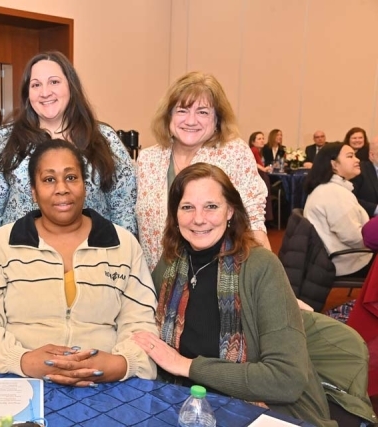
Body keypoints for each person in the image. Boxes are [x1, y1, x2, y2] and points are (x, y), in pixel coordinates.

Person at [133, 163, 336, 426]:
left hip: (258, 407)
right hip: (184, 401)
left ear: (230, 210)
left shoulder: (261, 266)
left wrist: (186, 366)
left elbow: (287, 379)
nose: (198, 219)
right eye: (187, 207)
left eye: (211, 206)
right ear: (175, 213)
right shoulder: (172, 262)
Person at [0, 139, 157, 386]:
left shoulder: (122, 245)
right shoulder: (3, 244)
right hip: (16, 381)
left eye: (71, 177)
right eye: (49, 180)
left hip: (107, 386)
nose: (62, 188)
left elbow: (142, 324)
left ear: (85, 186)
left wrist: (121, 364)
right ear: (33, 191)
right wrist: (22, 360)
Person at [0, 51, 137, 252]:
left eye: (54, 82)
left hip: (93, 262)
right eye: (36, 85)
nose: (45, 92)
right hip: (21, 263)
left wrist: (122, 261)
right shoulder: (6, 140)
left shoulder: (104, 139)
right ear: (27, 93)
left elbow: (124, 209)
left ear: (71, 86)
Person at [136, 71, 269, 271]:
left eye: (203, 112)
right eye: (182, 110)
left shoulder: (234, 153)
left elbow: (254, 223)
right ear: (168, 115)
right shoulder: (148, 159)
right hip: (155, 280)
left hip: (216, 281)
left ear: (217, 119)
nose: (191, 121)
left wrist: (272, 284)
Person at [304, 142, 373, 278]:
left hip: (343, 255)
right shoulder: (333, 193)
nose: (357, 159)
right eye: (350, 156)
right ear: (334, 165)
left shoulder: (331, 189)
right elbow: (353, 237)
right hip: (346, 261)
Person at [352, 136, 378, 217]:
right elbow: (351, 198)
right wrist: (376, 209)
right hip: (367, 221)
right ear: (372, 155)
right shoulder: (358, 170)